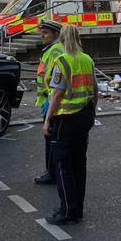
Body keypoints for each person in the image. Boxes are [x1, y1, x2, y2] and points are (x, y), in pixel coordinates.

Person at [42, 25, 99, 225]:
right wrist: (91, 110)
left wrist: (48, 119)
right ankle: (78, 208)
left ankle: (67, 210)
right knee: (79, 164)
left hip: (65, 119)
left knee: (62, 165)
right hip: (84, 116)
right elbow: (95, 89)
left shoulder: (62, 61)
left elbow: (57, 93)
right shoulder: (87, 59)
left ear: (63, 40)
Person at [33, 19, 64, 185]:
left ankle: (51, 173)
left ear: (56, 34)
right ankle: (51, 171)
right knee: (50, 139)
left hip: (51, 102)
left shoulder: (54, 51)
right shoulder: (50, 49)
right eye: (41, 32)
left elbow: (53, 78)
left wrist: (50, 104)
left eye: (45, 32)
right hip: (47, 100)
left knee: (50, 140)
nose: (42, 35)